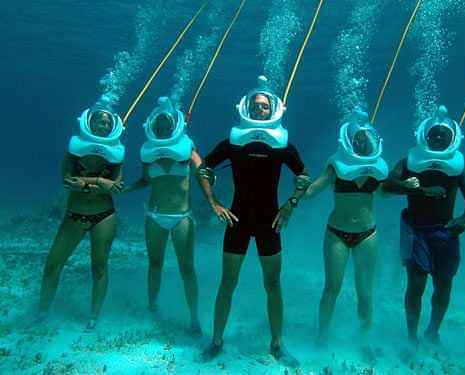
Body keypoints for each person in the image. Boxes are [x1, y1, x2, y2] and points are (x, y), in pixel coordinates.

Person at [197, 76, 310, 367]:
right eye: (256, 106)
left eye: (264, 107)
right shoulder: (233, 143)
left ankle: (277, 345)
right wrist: (213, 202)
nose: (260, 111)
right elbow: (203, 169)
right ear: (246, 107)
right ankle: (216, 342)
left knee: (273, 284)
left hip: (269, 222)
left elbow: (304, 177)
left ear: (273, 109)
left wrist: (291, 204)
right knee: (228, 283)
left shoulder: (283, 145)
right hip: (238, 219)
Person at [382, 105, 465, 345]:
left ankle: (433, 332)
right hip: (415, 230)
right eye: (433, 135)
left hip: (446, 231)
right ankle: (412, 336)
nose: (437, 138)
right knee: (416, 285)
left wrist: (463, 220)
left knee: (443, 284)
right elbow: (387, 184)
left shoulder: (459, 167)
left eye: (442, 135)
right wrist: (414, 187)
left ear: (452, 138)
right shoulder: (409, 161)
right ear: (424, 137)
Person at [303, 110, 389, 343]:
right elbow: (311, 192)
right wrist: (300, 183)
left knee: (365, 293)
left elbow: (385, 194)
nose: (361, 142)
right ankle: (322, 337)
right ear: (349, 141)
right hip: (337, 234)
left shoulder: (377, 167)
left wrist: (408, 185)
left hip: (367, 234)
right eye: (357, 139)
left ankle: (364, 341)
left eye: (364, 139)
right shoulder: (336, 165)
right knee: (332, 288)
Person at [38, 106, 125, 330]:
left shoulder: (116, 155)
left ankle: (94, 317)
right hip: (74, 215)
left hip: (104, 216)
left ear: (112, 126)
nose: (103, 125)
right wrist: (101, 183)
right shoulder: (73, 151)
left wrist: (86, 182)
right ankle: (42, 311)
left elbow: (115, 188)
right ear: (89, 122)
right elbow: (68, 182)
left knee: (99, 267)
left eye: (107, 123)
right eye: (99, 121)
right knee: (52, 265)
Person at [124, 97, 202, 335]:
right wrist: (124, 189)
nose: (163, 129)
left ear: (175, 125)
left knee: (186, 268)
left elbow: (203, 172)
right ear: (153, 127)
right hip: (155, 216)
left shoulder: (187, 148)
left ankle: (194, 318)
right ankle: (152, 308)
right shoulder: (148, 153)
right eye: (159, 126)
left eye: (167, 125)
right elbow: (145, 181)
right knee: (154, 265)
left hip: (182, 217)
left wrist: (213, 194)